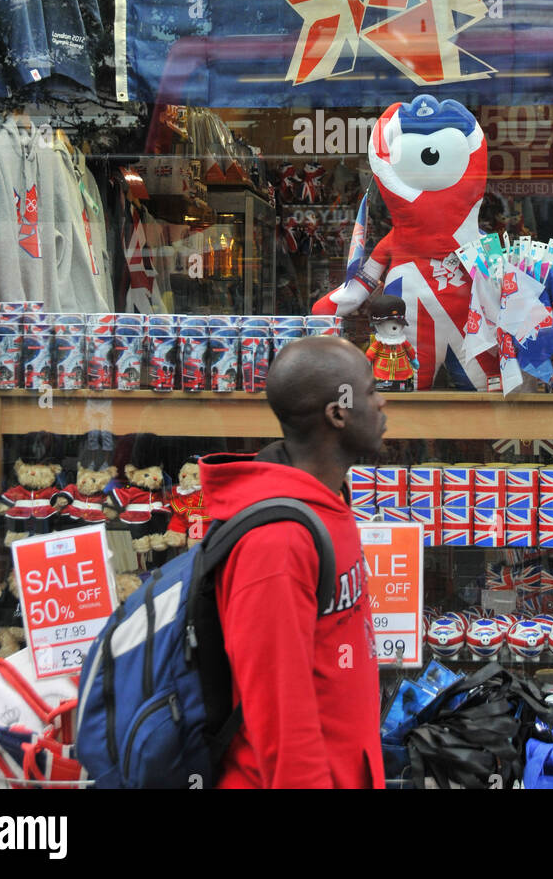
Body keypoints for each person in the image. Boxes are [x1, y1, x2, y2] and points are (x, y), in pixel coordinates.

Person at [198, 335, 387, 790]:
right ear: (338, 412)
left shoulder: (325, 502)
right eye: (370, 391)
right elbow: (282, 722)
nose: (382, 404)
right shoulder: (276, 544)